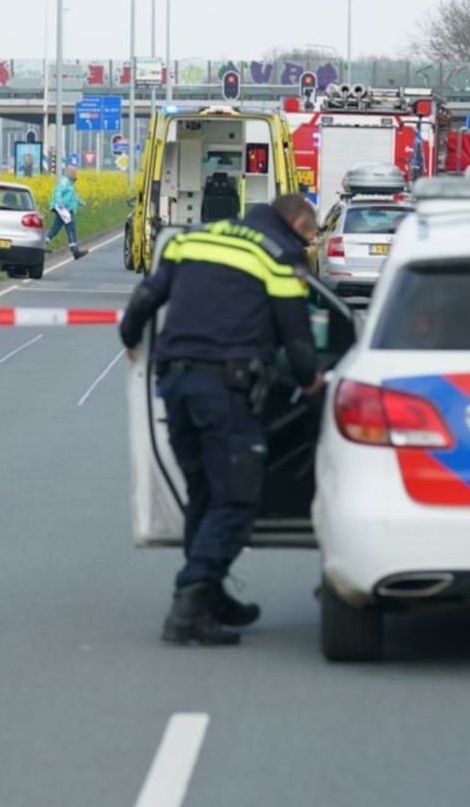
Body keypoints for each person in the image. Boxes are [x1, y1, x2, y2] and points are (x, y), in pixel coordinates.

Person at [119, 193, 323, 646]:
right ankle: (189, 601)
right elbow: (298, 337)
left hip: (175, 386)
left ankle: (210, 598)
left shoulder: (194, 238)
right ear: (295, 225)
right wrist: (312, 385)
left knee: (205, 495)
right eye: (309, 239)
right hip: (226, 392)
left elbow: (149, 295)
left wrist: (130, 336)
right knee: (236, 502)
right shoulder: (278, 255)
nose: (307, 249)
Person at [46, 165, 88, 259]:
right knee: (71, 228)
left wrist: (82, 203)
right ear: (68, 172)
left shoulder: (70, 183)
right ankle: (75, 250)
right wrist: (60, 204)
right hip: (65, 209)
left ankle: (43, 242)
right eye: (73, 172)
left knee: (55, 228)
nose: (75, 174)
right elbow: (58, 192)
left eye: (75, 172)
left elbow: (75, 197)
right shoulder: (64, 182)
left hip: (66, 209)